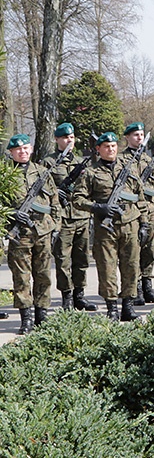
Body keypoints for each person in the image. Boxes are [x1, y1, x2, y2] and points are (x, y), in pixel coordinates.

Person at [71, 132, 148, 322]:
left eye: (114, 146)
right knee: (107, 268)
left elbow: (140, 197)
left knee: (131, 266)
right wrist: (98, 207)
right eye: (106, 146)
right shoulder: (90, 172)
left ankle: (128, 307)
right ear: (98, 149)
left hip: (130, 224)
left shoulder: (129, 168)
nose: (111, 149)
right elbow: (77, 199)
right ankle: (112, 307)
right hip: (106, 229)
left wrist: (144, 223)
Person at [6, 134, 59, 333]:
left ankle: (42, 316)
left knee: (43, 275)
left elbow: (54, 203)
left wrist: (56, 227)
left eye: (26, 148)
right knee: (21, 277)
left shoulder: (43, 172)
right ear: (11, 152)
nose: (23, 152)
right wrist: (13, 214)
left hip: (43, 230)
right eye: (18, 149)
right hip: (19, 234)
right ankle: (26, 318)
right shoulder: (5, 176)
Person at [45, 122, 96, 312]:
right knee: (63, 259)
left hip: (82, 216)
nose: (69, 140)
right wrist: (57, 192)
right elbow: (44, 189)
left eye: (72, 137)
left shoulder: (83, 162)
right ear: (57, 139)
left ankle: (79, 296)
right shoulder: (49, 162)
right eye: (65, 137)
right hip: (62, 218)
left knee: (82, 258)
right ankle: (67, 297)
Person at [121, 122, 154, 305]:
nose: (139, 138)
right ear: (127, 138)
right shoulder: (122, 160)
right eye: (135, 135)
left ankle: (148, 287)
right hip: (133, 211)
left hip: (151, 210)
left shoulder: (148, 160)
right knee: (133, 252)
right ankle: (135, 289)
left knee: (149, 251)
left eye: (141, 135)